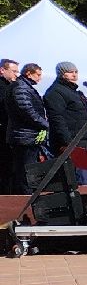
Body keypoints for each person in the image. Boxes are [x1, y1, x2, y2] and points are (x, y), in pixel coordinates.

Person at [6, 60, 48, 195]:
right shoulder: (21, 87)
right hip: (24, 135)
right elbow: (26, 109)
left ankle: (27, 193)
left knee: (27, 168)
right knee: (26, 168)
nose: (40, 78)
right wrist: (44, 123)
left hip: (27, 134)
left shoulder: (24, 87)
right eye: (38, 74)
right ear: (29, 73)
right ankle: (25, 197)